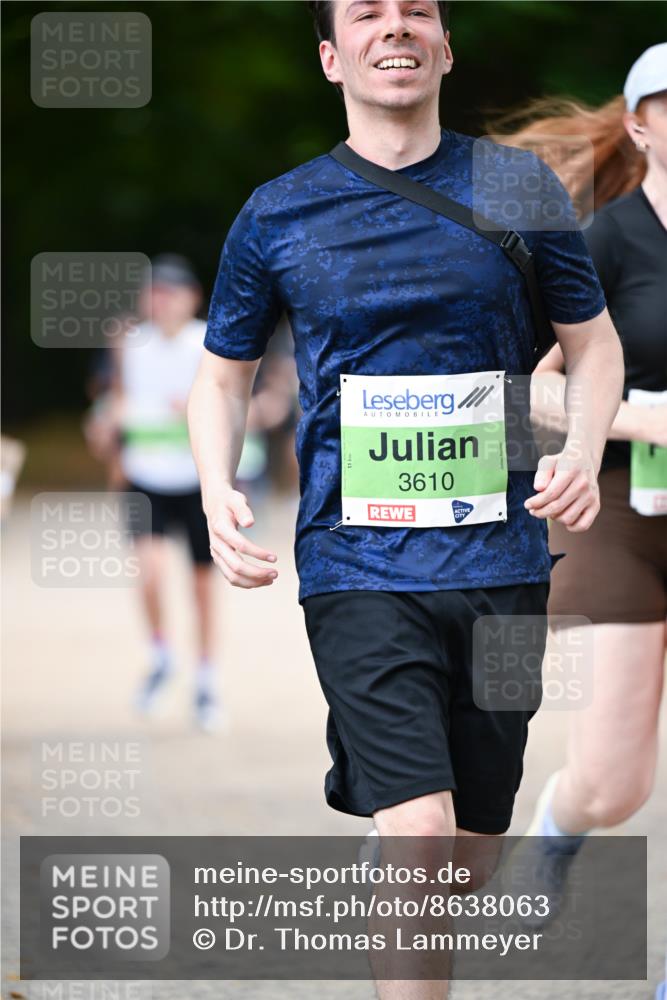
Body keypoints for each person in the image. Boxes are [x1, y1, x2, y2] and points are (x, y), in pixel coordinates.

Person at [188, 3, 624, 994]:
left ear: (444, 46)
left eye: (417, 10)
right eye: (368, 14)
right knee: (422, 835)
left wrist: (585, 448)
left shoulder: (513, 187)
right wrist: (218, 488)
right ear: (332, 56)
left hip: (505, 562)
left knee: (468, 844)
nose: (396, 26)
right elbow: (222, 374)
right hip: (356, 565)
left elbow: (594, 348)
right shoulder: (278, 211)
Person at [498, 44, 667, 971]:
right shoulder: (602, 238)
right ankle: (561, 827)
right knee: (613, 782)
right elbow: (530, 383)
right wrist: (641, 415)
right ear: (637, 126)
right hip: (619, 508)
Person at [115, 254, 222, 731]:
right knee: (150, 573)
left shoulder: (210, 342)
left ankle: (205, 677)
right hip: (145, 477)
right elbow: (117, 400)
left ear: (191, 297)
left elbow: (234, 400)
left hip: (198, 480)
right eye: (154, 292)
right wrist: (108, 430)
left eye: (170, 292)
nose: (161, 301)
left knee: (201, 587)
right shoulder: (129, 344)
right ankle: (161, 655)